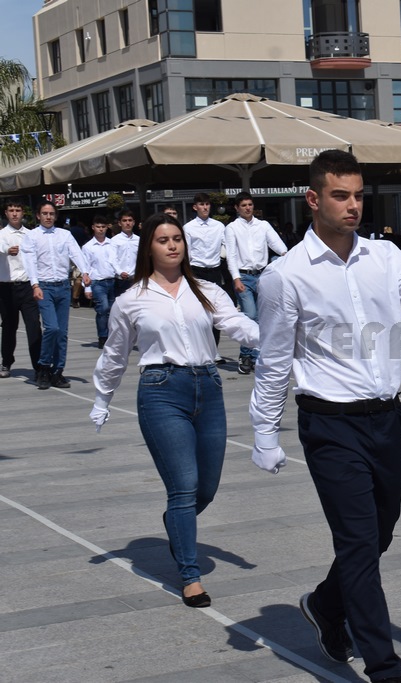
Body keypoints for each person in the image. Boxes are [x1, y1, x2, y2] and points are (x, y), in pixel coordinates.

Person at [249, 149, 401, 683]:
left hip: (387, 421)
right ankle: (386, 669)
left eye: (359, 195)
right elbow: (273, 360)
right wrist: (264, 431)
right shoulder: (284, 276)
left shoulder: (385, 256)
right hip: (330, 425)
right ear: (313, 199)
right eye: (340, 195)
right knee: (359, 546)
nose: (353, 205)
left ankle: (324, 603)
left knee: (379, 536)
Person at [90, 213, 259, 609]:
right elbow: (115, 353)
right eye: (163, 239)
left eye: (177, 238)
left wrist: (276, 339)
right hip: (161, 391)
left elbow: (236, 323)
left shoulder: (206, 289)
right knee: (183, 486)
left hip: (209, 388)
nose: (172, 245)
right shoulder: (131, 299)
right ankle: (190, 576)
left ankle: (176, 521)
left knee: (206, 488)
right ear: (148, 248)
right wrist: (101, 398)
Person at [20, 201, 91, 390]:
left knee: (62, 332)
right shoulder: (32, 236)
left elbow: (75, 252)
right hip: (44, 287)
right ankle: (44, 367)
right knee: (51, 328)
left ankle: (58, 371)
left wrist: (85, 271)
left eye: (51, 213)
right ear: (38, 215)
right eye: (44, 213)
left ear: (56, 216)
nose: (48, 217)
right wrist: (35, 284)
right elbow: (30, 261)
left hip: (63, 286)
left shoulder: (64, 235)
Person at [225, 191, 288, 375]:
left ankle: (256, 356)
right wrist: (235, 278)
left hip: (262, 275)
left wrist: (287, 255)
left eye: (250, 205)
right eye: (243, 205)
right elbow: (231, 255)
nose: (247, 208)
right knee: (250, 315)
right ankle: (245, 356)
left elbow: (277, 245)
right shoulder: (232, 228)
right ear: (237, 208)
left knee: (262, 318)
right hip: (243, 276)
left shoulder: (263, 225)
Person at [0, 200, 42, 379]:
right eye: (11, 210)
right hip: (6, 288)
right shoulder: (2, 234)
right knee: (9, 327)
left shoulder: (31, 235)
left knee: (34, 326)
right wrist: (7, 250)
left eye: (18, 210)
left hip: (27, 287)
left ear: (23, 213)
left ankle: (39, 366)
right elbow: (1, 247)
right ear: (6, 213)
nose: (15, 213)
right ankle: (6, 362)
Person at [183, 193, 229, 350]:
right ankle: (197, 347)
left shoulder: (219, 226)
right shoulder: (188, 228)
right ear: (195, 207)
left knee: (214, 310)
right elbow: (187, 252)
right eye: (202, 204)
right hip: (196, 271)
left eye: (207, 204)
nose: (205, 207)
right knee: (197, 311)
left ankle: (213, 349)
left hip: (214, 271)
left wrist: (222, 256)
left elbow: (227, 245)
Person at [81, 214, 118, 349]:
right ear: (93, 228)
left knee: (112, 311)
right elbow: (85, 267)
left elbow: (116, 262)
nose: (101, 229)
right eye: (98, 227)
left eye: (103, 227)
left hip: (112, 280)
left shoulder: (112, 244)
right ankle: (103, 336)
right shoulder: (88, 247)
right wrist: (87, 288)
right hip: (97, 282)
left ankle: (112, 336)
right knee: (103, 309)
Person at [111, 209, 139, 299]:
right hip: (121, 280)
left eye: (130, 220)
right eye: (124, 220)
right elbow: (112, 259)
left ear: (133, 222)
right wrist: (120, 272)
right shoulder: (115, 240)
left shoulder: (138, 240)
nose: (127, 223)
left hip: (135, 279)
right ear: (120, 223)